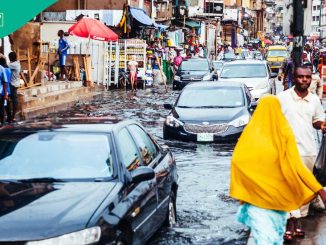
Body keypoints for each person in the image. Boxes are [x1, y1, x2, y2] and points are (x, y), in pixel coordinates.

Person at [230, 95, 326, 244]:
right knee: (272, 238)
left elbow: (238, 162)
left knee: (260, 237)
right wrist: (319, 190)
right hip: (277, 202)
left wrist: (246, 188)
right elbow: (297, 166)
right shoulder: (284, 133)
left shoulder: (250, 134)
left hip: (256, 201)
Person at [278, 65, 326, 240]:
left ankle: (297, 224)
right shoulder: (282, 98)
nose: (304, 80)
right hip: (286, 152)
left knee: (304, 191)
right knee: (289, 189)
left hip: (308, 151)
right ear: (294, 77)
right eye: (300, 77)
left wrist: (321, 125)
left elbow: (316, 120)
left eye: (307, 77)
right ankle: (288, 226)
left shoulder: (314, 100)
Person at [8, 51, 20, 122]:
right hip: (15, 83)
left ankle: (12, 116)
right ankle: (12, 116)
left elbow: (5, 65)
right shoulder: (17, 63)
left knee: (13, 100)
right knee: (13, 99)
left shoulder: (13, 65)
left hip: (12, 84)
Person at [0, 57, 12, 123]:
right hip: (8, 89)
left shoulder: (2, 70)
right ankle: (9, 118)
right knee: (7, 105)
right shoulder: (8, 70)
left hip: (3, 91)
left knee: (2, 106)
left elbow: (4, 81)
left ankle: (3, 120)